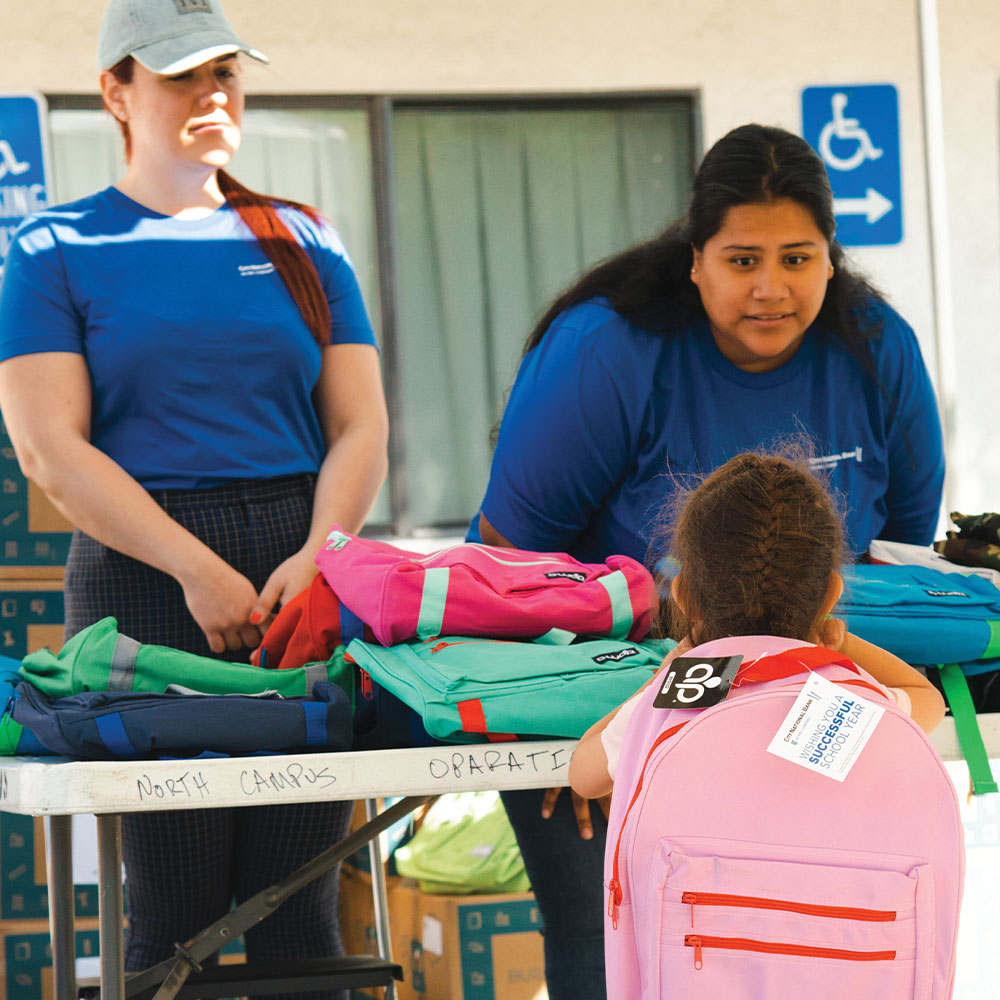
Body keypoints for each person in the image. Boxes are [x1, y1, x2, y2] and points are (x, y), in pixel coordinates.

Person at [467, 123, 945, 1000]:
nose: (771, 289)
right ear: (696, 261)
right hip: (606, 677)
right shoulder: (606, 351)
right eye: (742, 260)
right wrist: (593, 724)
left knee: (803, 938)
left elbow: (901, 555)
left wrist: (830, 651)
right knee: (605, 940)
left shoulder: (878, 350)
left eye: (799, 258)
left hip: (802, 703)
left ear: (831, 259)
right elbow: (507, 562)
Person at [0, 1, 388, 997]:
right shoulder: (53, 248)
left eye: (226, 73)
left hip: (303, 572)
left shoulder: (301, 237)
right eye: (181, 75)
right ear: (115, 93)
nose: (212, 93)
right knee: (176, 911)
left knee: (300, 898)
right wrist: (193, 565)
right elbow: (50, 449)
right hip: (143, 582)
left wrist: (323, 551)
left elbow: (361, 426)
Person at [568, 451, 945, 800]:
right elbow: (926, 698)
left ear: (684, 596)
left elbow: (584, 774)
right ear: (830, 594)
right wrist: (837, 644)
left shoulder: (690, 690)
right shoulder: (849, 698)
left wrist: (669, 672)